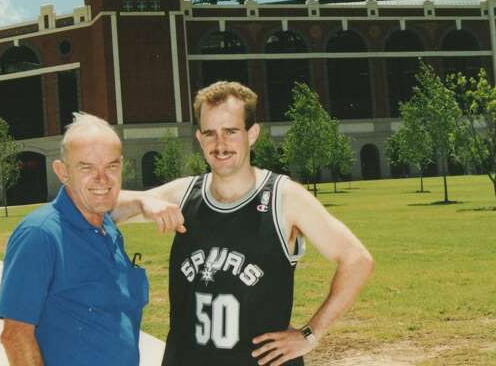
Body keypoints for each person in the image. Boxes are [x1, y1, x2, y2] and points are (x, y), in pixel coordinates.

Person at [115, 81, 375, 366]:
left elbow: (357, 259)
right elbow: (102, 210)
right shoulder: (184, 194)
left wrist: (310, 334)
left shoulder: (284, 198)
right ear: (199, 139)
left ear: (252, 134)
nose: (220, 144)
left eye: (230, 131)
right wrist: (141, 201)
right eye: (210, 133)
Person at [0, 113, 160, 366]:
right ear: (62, 172)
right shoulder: (40, 235)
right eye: (87, 167)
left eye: (111, 166)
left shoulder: (108, 229)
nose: (102, 179)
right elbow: (15, 335)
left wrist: (142, 201)